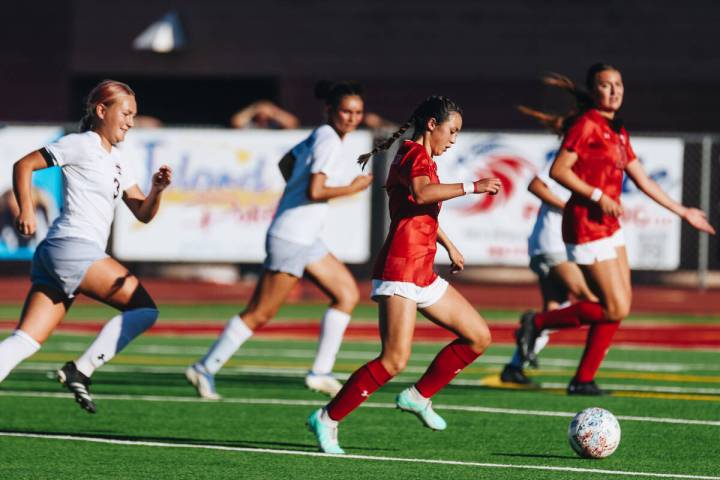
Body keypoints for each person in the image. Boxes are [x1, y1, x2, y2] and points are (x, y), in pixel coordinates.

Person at [307, 96, 502, 454]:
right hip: (401, 268)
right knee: (393, 359)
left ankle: (418, 396)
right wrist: (473, 186)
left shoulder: (422, 157)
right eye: (452, 131)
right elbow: (421, 192)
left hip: (422, 268)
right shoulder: (414, 154)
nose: (454, 139)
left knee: (478, 336)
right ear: (432, 124)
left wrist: (449, 245)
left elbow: (419, 207)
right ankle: (327, 418)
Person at [515, 64, 715, 395]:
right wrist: (597, 196)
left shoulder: (617, 129)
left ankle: (583, 380)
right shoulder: (586, 125)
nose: (614, 91)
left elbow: (642, 178)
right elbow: (559, 170)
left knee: (619, 307)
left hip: (609, 225)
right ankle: (536, 323)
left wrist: (683, 212)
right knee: (614, 307)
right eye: (606, 85)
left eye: (618, 84)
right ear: (593, 91)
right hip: (584, 225)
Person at [186, 81, 373, 399]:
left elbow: (286, 163)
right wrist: (352, 188)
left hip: (305, 236)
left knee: (346, 294)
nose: (353, 118)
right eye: (346, 111)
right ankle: (205, 367)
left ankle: (320, 372)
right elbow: (316, 191)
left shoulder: (321, 135)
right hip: (291, 237)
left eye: (357, 112)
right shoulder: (329, 141)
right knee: (260, 313)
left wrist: (295, 190)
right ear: (330, 110)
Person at [0, 79, 172, 413]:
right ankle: (81, 369)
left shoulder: (120, 160)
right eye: (126, 113)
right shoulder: (82, 143)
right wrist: (25, 208)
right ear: (101, 110)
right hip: (72, 247)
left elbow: (143, 213)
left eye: (134, 115)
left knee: (25, 340)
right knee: (144, 309)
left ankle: (79, 369)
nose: (131, 122)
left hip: (58, 252)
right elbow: (23, 165)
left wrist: (158, 191)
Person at [500, 154, 598, 386]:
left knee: (555, 310)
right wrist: (569, 208)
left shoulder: (593, 164)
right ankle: (534, 323)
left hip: (557, 244)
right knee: (592, 302)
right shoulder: (568, 157)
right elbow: (535, 185)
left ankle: (514, 367)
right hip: (553, 243)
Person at [230, 100, 300, 129]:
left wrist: (274, 112)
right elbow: (236, 122)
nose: (263, 116)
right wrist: (254, 110)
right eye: (261, 114)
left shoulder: (275, 123)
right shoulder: (251, 122)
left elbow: (292, 123)